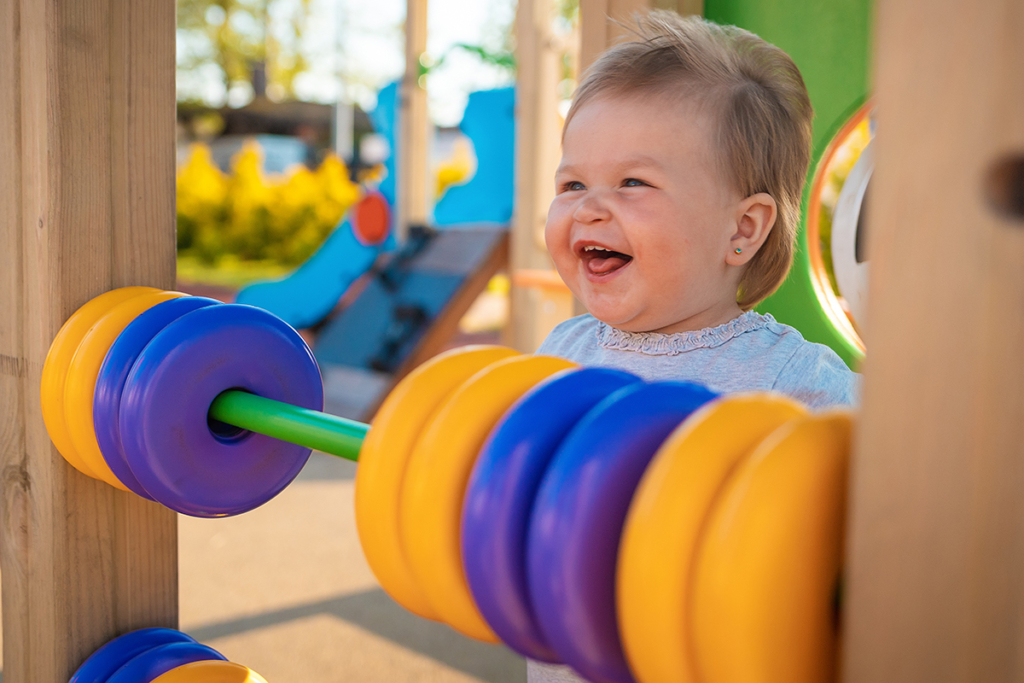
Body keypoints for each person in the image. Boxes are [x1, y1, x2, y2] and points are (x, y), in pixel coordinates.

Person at [529, 10, 858, 683]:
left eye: (633, 183)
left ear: (742, 230)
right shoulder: (562, 351)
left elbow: (881, 535)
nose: (590, 207)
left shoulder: (799, 386)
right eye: (571, 184)